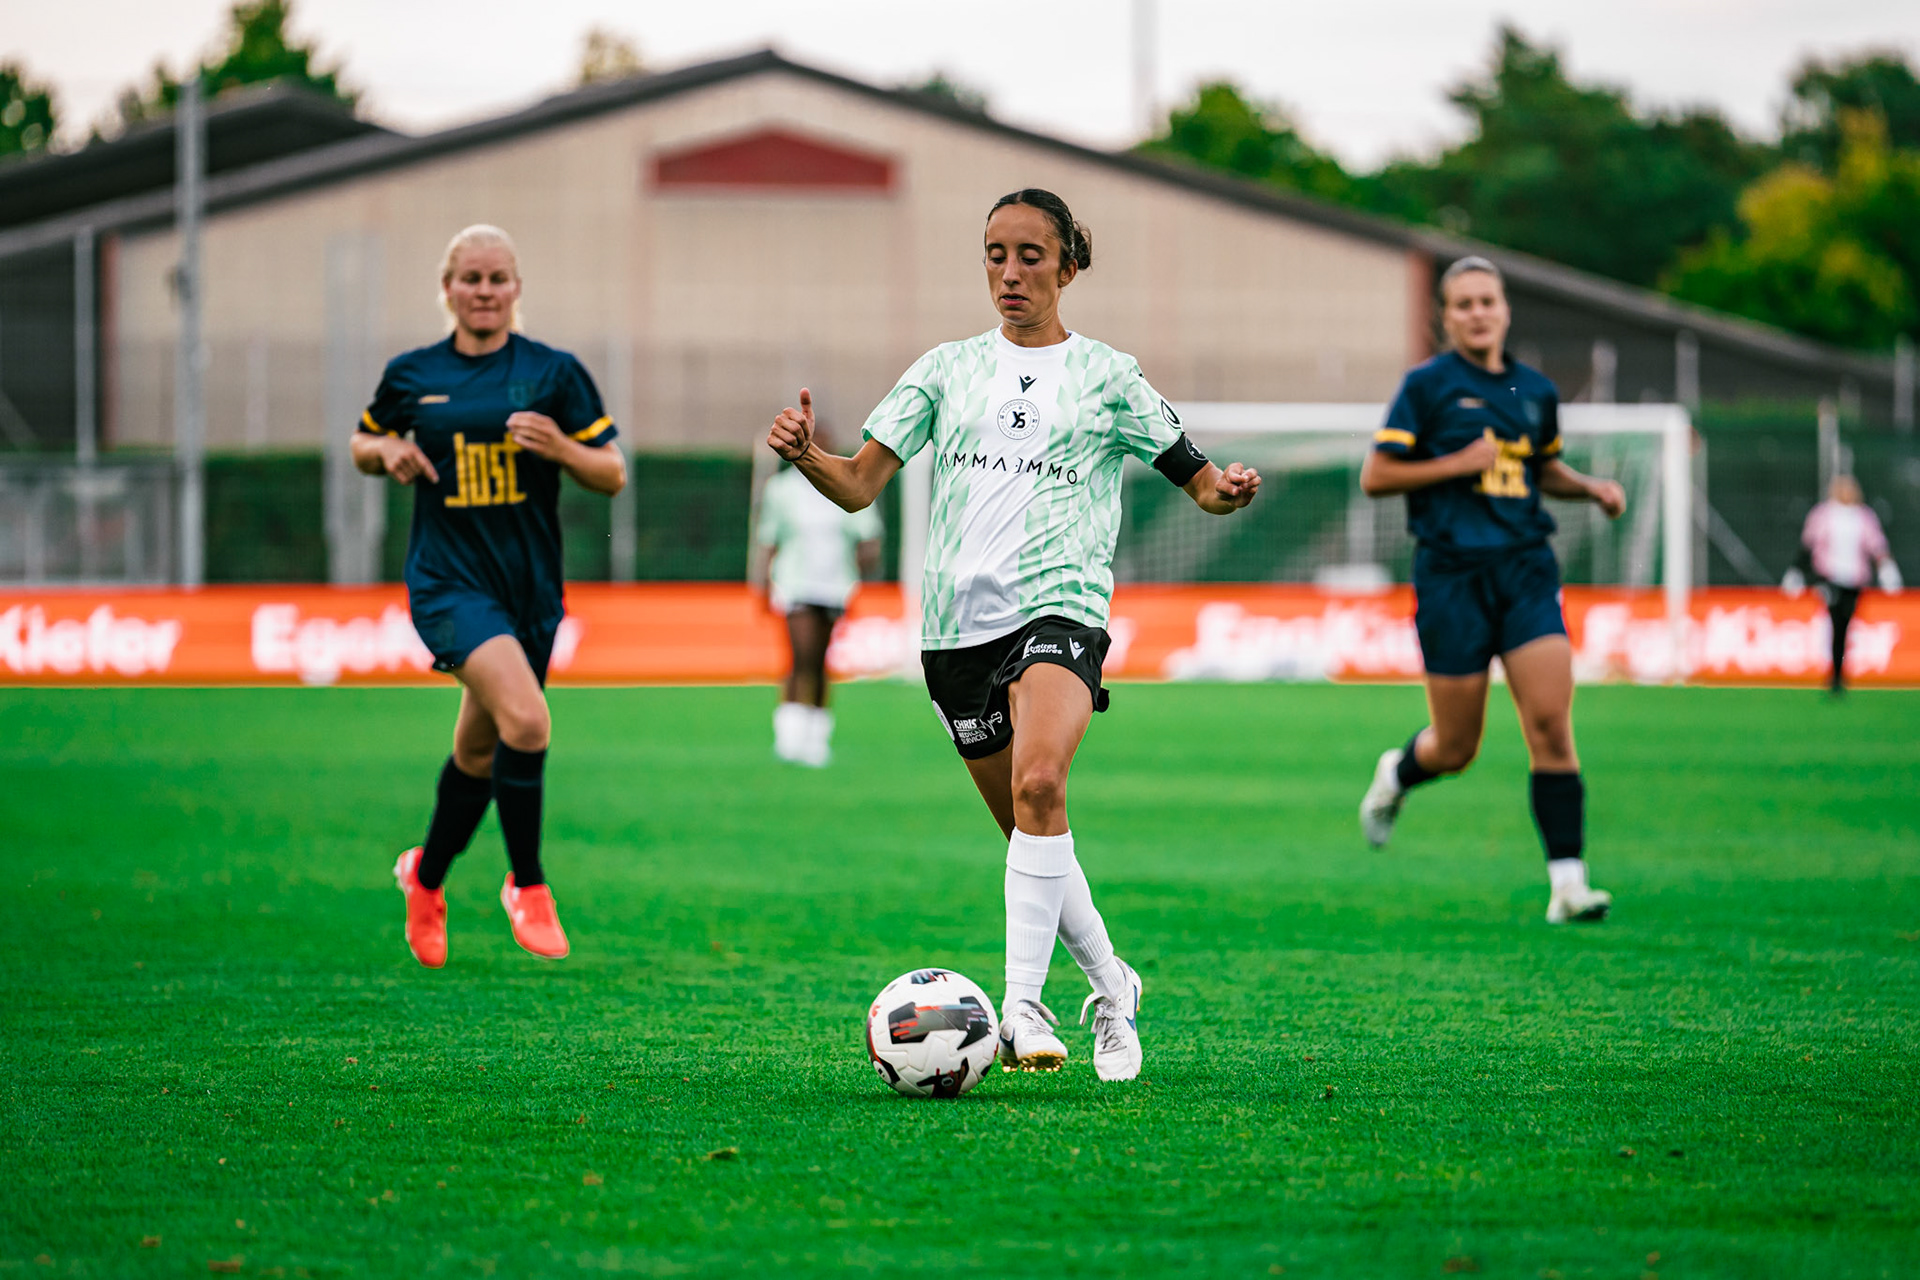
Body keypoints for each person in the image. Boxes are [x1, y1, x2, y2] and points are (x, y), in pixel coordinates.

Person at [767, 188, 1260, 1082]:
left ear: (1069, 266)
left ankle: (1022, 1006)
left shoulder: (1110, 376)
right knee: (1035, 828)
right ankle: (1113, 989)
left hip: (1060, 607)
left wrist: (1227, 488)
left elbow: (1199, 482)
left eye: (1031, 255)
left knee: (1041, 780)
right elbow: (859, 485)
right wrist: (807, 455)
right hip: (956, 634)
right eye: (995, 254)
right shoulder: (944, 369)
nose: (1010, 273)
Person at [352, 224, 626, 968]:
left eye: (497, 278)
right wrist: (389, 451)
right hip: (448, 582)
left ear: (516, 288)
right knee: (529, 722)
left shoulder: (553, 373)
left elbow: (612, 472)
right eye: (470, 278)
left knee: (478, 749)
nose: (483, 291)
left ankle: (426, 877)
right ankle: (527, 884)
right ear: (447, 288)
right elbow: (363, 442)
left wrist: (562, 448)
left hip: (529, 590)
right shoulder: (414, 373)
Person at [1356, 256, 1626, 925]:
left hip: (1527, 568)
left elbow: (1542, 466)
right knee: (1456, 747)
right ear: (1447, 317)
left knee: (1550, 726)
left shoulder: (1535, 390)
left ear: (1505, 310)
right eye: (1464, 304)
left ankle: (1568, 885)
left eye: (1488, 301)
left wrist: (1587, 487)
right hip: (1451, 575)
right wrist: (1456, 463)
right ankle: (1398, 773)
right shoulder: (1427, 385)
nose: (1478, 313)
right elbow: (1377, 474)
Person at [753, 424, 884, 767]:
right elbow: (769, 539)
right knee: (802, 653)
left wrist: (866, 556)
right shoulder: (782, 489)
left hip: (835, 583)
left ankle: (816, 733)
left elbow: (866, 532)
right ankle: (790, 732)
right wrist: (762, 585)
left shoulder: (843, 483)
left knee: (821, 659)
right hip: (796, 582)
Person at [1784, 475, 1902, 695]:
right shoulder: (1823, 514)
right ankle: (1835, 676)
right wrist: (1796, 571)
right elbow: (1808, 544)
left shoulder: (1864, 516)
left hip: (1854, 580)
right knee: (1835, 623)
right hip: (1830, 577)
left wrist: (1887, 569)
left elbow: (1877, 545)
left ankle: (1840, 673)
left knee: (1845, 625)